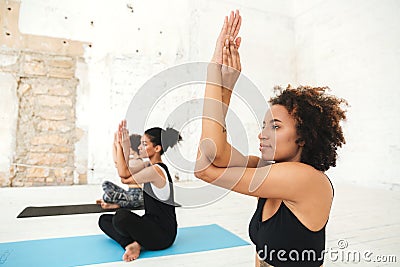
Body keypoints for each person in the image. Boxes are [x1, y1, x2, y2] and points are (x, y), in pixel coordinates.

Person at [195, 10, 348, 267]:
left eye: (275, 127)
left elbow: (204, 169)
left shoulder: (305, 179)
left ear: (303, 138)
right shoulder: (269, 170)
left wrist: (214, 74)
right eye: (263, 125)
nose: (261, 134)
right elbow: (213, 154)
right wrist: (227, 84)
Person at [98, 120, 182, 262]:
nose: (139, 147)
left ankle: (134, 242)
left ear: (157, 149)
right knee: (104, 220)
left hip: (163, 235)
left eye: (144, 144)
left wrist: (121, 145)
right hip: (150, 225)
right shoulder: (149, 165)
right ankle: (133, 244)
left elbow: (124, 178)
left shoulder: (156, 170)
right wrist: (122, 146)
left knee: (121, 217)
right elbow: (122, 168)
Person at [96, 133, 146, 209]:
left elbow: (118, 164)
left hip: (137, 196)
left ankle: (115, 204)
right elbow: (117, 161)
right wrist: (115, 143)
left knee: (106, 196)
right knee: (106, 184)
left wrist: (117, 145)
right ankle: (116, 203)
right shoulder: (132, 160)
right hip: (130, 193)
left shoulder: (139, 162)